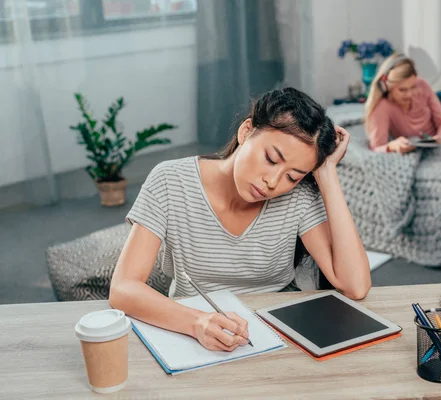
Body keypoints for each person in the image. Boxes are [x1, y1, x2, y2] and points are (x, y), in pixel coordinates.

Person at [109, 87, 371, 352]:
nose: (272, 182)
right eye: (270, 159)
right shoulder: (170, 181)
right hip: (189, 328)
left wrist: (326, 173)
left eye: (293, 176)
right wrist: (197, 322)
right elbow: (123, 288)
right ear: (246, 131)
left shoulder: (298, 197)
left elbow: (355, 286)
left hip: (279, 330)